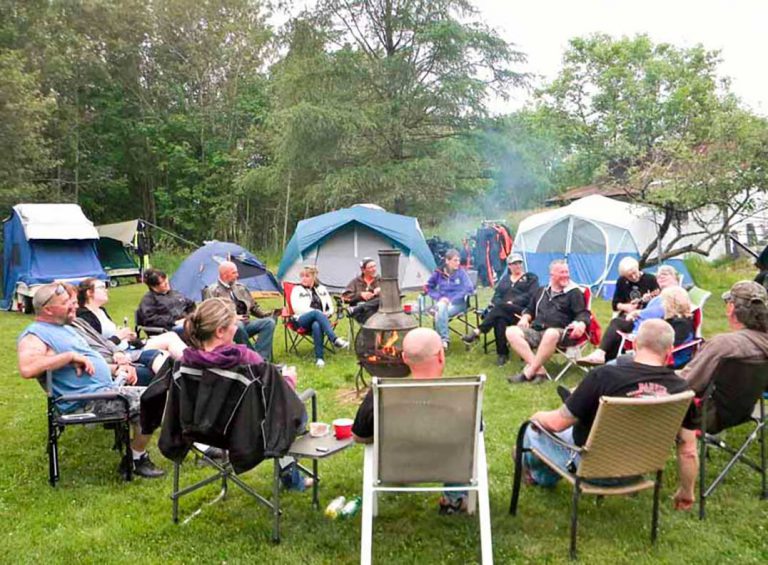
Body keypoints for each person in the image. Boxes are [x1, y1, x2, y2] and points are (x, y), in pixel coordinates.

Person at [17, 283, 165, 478]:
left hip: (105, 390)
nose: (73, 305)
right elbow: (27, 368)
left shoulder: (65, 328)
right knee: (155, 399)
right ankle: (136, 458)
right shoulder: (35, 335)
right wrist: (69, 357)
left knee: (157, 393)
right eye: (65, 303)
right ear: (48, 310)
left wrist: (117, 368)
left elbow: (90, 364)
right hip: (85, 401)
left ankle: (136, 454)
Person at [520, 319, 689, 489]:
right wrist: (687, 492)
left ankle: (539, 477)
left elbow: (556, 423)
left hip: (592, 470)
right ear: (670, 350)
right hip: (639, 470)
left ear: (634, 344)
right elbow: (688, 450)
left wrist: (536, 417)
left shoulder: (604, 376)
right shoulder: (681, 389)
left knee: (532, 428)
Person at [182, 298, 308, 489]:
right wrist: (289, 380)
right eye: (234, 324)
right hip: (245, 434)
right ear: (220, 331)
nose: (237, 328)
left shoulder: (185, 362)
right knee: (284, 413)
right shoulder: (246, 360)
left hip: (201, 432)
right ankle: (292, 479)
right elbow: (274, 398)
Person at [671, 280, 768, 511]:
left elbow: (686, 385)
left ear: (731, 308)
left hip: (707, 416)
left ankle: (624, 467)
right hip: (745, 411)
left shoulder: (724, 345)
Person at [351, 327, 466, 514]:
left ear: (404, 358)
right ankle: (454, 498)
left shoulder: (380, 395)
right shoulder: (461, 396)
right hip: (444, 464)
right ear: (440, 356)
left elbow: (359, 437)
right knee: (469, 437)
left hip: (396, 466)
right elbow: (475, 435)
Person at [506, 259, 590, 384]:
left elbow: (583, 313)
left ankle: (529, 372)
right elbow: (530, 309)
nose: (566, 275)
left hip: (562, 333)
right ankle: (539, 370)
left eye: (567, 272)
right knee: (511, 331)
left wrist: (581, 323)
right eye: (562, 272)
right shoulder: (542, 291)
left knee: (550, 333)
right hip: (538, 331)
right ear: (552, 274)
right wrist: (525, 318)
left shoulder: (574, 292)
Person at [579, 264, 680, 365]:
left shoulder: (676, 293)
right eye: (659, 275)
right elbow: (615, 304)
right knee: (617, 329)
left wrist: (637, 312)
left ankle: (603, 358)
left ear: (675, 277)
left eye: (665, 274)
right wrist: (641, 302)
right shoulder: (660, 294)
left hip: (651, 328)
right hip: (643, 323)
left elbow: (661, 310)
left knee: (617, 324)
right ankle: (604, 361)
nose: (661, 276)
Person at [462, 252, 539, 366]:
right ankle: (502, 354)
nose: (517, 266)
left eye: (519, 263)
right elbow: (497, 295)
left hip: (523, 312)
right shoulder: (505, 279)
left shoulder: (530, 278)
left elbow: (532, 295)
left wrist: (513, 302)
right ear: (509, 266)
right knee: (499, 320)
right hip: (504, 312)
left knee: (501, 308)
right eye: (514, 264)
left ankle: (478, 331)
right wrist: (496, 303)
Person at [203, 261, 276, 361]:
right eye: (234, 273)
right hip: (226, 328)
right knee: (237, 325)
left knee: (269, 323)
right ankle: (253, 359)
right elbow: (211, 314)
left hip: (246, 324)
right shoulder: (212, 291)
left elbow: (254, 307)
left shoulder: (240, 287)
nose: (238, 275)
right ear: (225, 274)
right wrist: (232, 318)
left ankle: (261, 359)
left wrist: (269, 314)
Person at [291, 265, 349, 367]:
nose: (304, 278)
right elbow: (297, 308)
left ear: (314, 277)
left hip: (321, 320)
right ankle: (334, 339)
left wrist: (328, 313)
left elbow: (330, 307)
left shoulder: (322, 289)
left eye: (307, 276)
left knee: (316, 325)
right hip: (301, 320)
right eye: (302, 276)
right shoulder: (297, 290)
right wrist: (318, 313)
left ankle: (319, 359)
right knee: (316, 313)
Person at [424, 248, 475, 348]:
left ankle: (441, 340)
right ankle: (444, 340)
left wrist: (451, 299)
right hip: (442, 302)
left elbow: (469, 288)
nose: (458, 263)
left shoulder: (461, 273)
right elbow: (428, 287)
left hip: (458, 303)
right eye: (455, 260)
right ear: (447, 261)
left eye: (459, 260)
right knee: (441, 308)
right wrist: (439, 297)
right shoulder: (438, 273)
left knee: (439, 311)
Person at [341, 257, 381, 324]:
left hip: (378, 310)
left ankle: (360, 308)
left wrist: (382, 291)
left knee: (382, 299)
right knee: (370, 317)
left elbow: (395, 294)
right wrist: (360, 295)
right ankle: (361, 308)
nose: (374, 269)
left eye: (374, 266)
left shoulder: (382, 280)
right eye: (370, 267)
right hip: (361, 313)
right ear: (363, 270)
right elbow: (345, 297)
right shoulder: (355, 282)